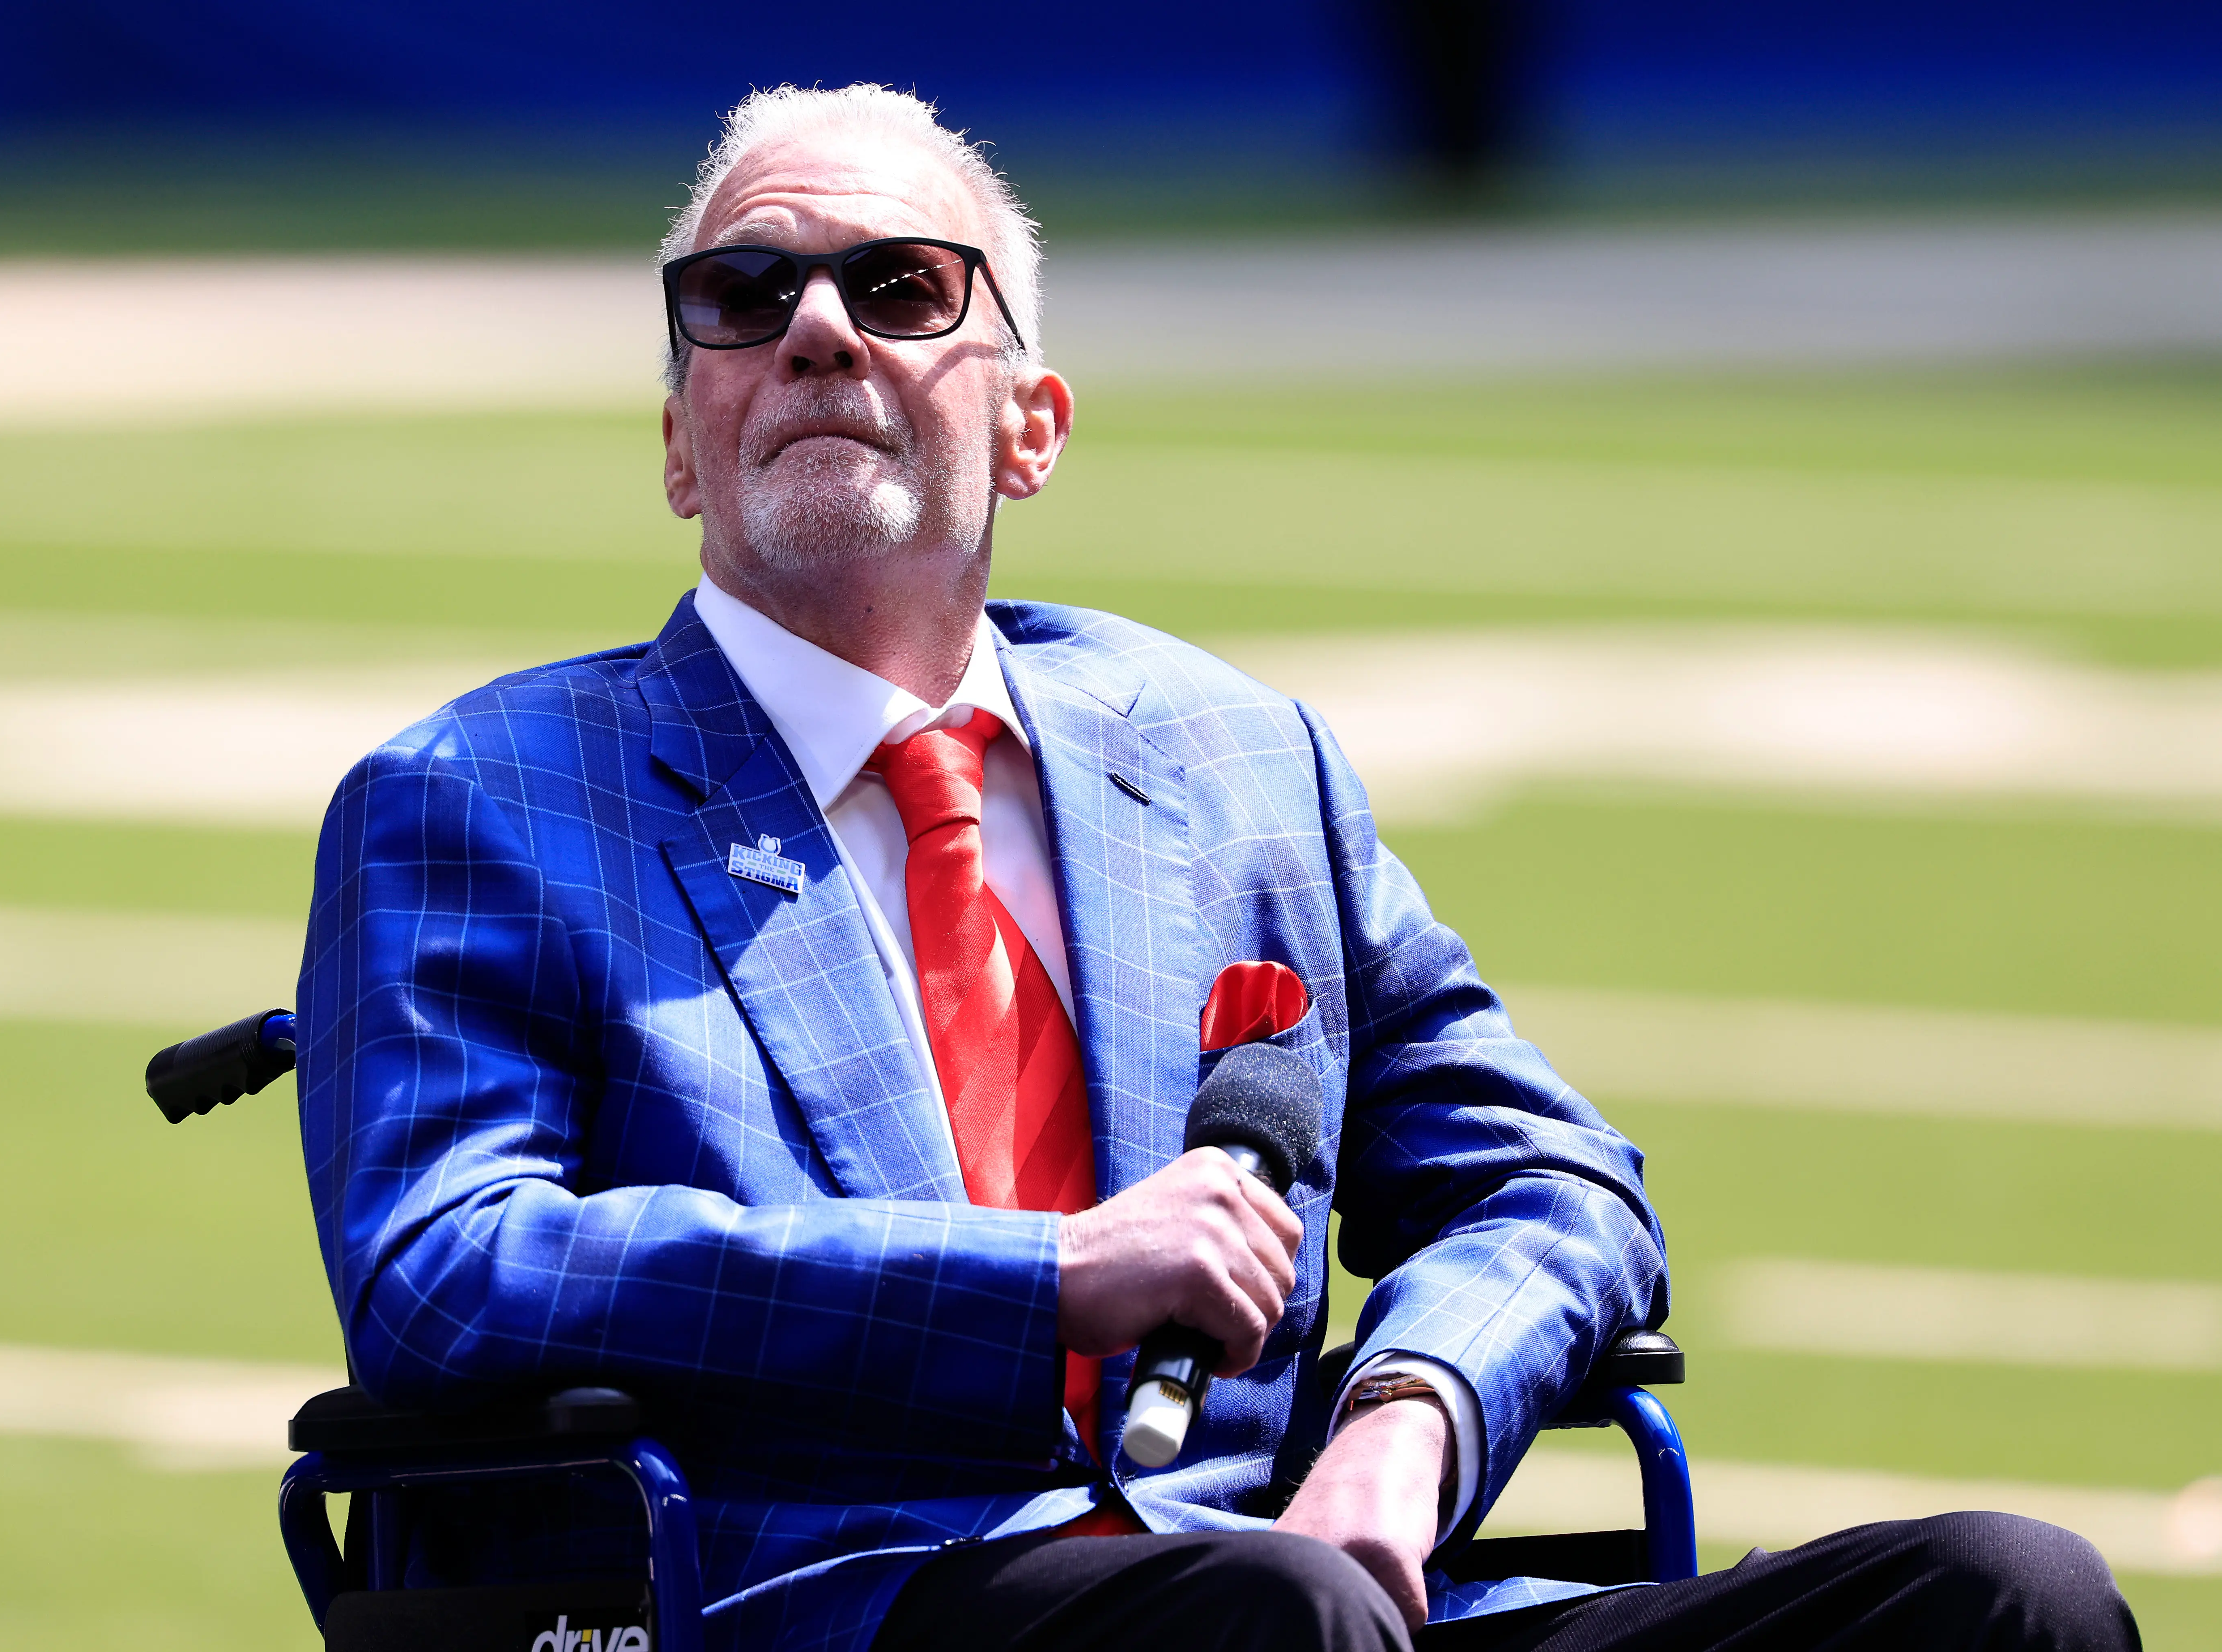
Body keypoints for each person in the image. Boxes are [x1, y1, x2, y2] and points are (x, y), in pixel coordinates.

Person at [295, 84, 2138, 1652]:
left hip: (1296, 1576)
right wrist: (1039, 1280)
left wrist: (1407, 1419)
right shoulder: (483, 796)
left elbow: (1557, 1186)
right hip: (825, 1593)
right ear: (681, 444)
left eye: (901, 286)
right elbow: (448, 1273)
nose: (817, 328)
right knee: (1267, 1626)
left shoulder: (1231, 757)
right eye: (742, 293)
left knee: (2004, 1599)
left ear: (1031, 424)